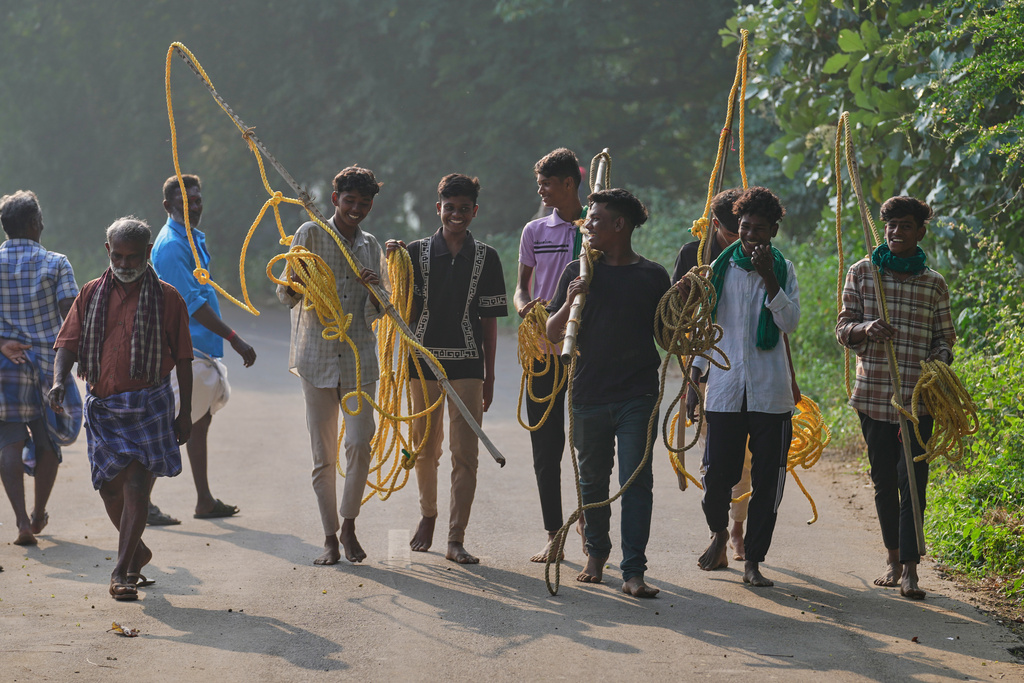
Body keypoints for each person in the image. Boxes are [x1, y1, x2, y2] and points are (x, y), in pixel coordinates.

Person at [49, 217, 193, 601]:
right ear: (107, 251)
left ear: (148, 253)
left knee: (135, 486)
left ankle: (122, 572)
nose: (125, 264)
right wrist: (60, 380)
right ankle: (138, 550)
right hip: (104, 407)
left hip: (149, 404)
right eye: (118, 256)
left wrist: (185, 413)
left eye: (133, 257)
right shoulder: (91, 293)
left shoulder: (167, 298)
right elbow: (68, 342)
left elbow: (183, 358)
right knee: (110, 490)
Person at [546, 188, 669, 598]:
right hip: (588, 393)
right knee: (592, 481)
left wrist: (682, 304)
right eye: (587, 219)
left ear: (621, 225)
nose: (587, 226)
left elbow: (668, 337)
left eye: (596, 219)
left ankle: (634, 570)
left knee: (636, 480)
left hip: (638, 394)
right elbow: (551, 333)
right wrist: (569, 301)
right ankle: (596, 552)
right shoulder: (578, 271)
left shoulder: (652, 275)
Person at [836, 196, 955, 600]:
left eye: (905, 226)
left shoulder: (933, 283)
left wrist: (935, 367)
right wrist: (866, 328)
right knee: (884, 481)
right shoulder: (863, 272)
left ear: (921, 231)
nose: (896, 233)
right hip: (872, 396)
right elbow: (843, 329)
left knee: (914, 482)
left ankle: (910, 570)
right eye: (891, 226)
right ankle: (891, 558)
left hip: (917, 402)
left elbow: (945, 341)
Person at [681, 186, 800, 588]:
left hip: (771, 394)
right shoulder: (717, 269)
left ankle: (753, 559)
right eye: (745, 227)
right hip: (726, 389)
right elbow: (707, 331)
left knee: (768, 481)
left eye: (760, 230)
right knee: (717, 476)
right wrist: (693, 380)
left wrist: (769, 278)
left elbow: (788, 323)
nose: (750, 236)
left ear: (774, 232)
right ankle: (718, 533)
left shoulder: (784, 270)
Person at [389, 174, 507, 565]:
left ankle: (455, 538)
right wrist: (392, 260)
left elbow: (489, 322)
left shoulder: (487, 258)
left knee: (466, 454)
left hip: (469, 366)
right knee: (424, 449)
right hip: (421, 365)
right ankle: (428, 515)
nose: (456, 215)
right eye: (449, 207)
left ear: (475, 211)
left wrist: (489, 376)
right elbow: (395, 302)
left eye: (464, 208)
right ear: (437, 208)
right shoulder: (412, 252)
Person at [277, 166, 390, 565]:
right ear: (334, 200)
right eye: (349, 201)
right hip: (316, 359)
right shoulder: (310, 235)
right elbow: (286, 295)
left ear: (372, 204)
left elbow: (384, 308)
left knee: (360, 442)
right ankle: (329, 537)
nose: (356, 209)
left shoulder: (371, 246)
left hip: (359, 359)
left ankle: (349, 524)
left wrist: (373, 288)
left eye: (364, 203)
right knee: (322, 454)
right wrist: (301, 279)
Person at [151, 174, 256, 522]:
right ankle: (142, 500)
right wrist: (235, 338)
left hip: (199, 348)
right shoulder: (171, 245)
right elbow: (191, 304)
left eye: (197, 200)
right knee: (176, 424)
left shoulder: (191, 239)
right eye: (186, 202)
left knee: (199, 421)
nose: (194, 207)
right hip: (185, 350)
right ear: (168, 206)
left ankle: (204, 500)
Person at [514, 148, 585, 563]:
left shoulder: (596, 228)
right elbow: (521, 287)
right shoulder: (535, 230)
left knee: (586, 446)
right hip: (542, 351)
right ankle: (553, 532)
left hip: (584, 353)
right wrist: (525, 306)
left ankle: (589, 532)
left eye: (546, 183)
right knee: (546, 445)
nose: (540, 190)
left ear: (569, 184)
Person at [0, 191, 80, 546]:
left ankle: (19, 522)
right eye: (41, 220)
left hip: (8, 364)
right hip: (49, 365)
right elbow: (72, 315)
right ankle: (38, 514)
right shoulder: (56, 262)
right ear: (33, 225)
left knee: (10, 442)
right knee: (48, 442)